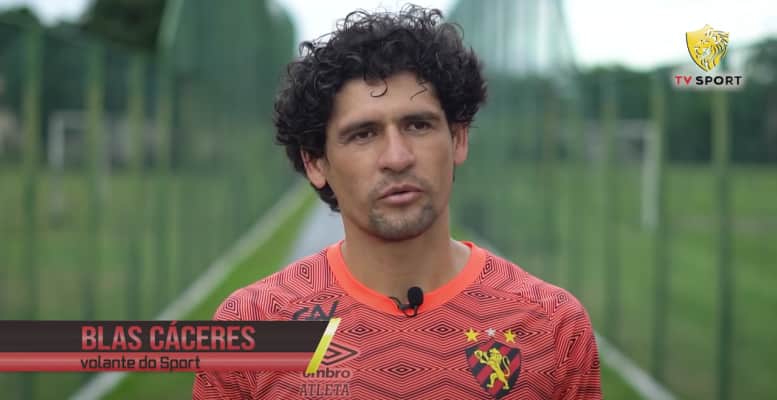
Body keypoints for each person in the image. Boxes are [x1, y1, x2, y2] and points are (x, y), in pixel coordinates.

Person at [193, 5, 601, 399]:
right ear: (316, 163)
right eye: (363, 134)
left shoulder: (552, 325)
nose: (397, 157)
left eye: (418, 125)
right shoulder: (255, 324)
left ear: (458, 139)